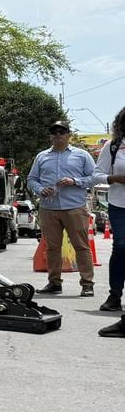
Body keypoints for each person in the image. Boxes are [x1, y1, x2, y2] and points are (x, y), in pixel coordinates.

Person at [28, 120, 98, 296]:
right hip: (49, 207)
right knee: (52, 247)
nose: (58, 135)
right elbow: (32, 179)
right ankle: (54, 283)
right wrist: (40, 189)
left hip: (74, 206)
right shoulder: (42, 156)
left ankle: (87, 284)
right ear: (50, 136)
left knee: (81, 246)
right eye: (54, 132)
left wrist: (75, 181)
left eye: (62, 131)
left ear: (68, 135)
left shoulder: (81, 155)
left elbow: (95, 177)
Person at [93, 107, 125, 334]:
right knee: (121, 248)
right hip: (120, 205)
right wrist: (115, 178)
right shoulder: (113, 146)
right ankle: (115, 296)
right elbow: (96, 176)